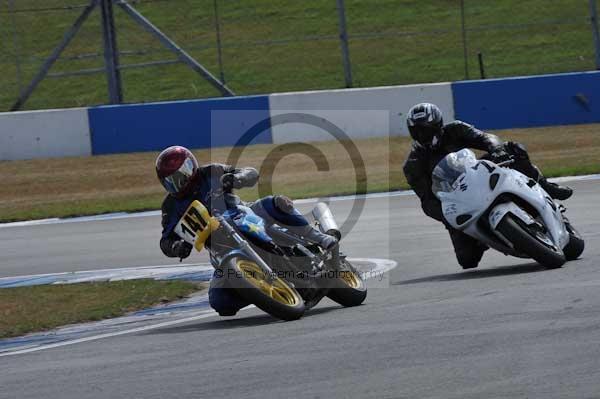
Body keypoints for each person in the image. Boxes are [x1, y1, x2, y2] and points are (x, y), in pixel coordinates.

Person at [155, 145, 337, 315]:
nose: (178, 184)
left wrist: (237, 178)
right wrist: (176, 247)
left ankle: (319, 237)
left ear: (190, 168)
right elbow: (165, 240)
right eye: (171, 181)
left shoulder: (211, 172)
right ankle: (263, 290)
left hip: (242, 214)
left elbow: (251, 172)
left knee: (276, 203)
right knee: (220, 302)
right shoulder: (170, 207)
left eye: (180, 176)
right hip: (218, 246)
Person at [402, 103, 572, 270]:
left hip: (477, 174)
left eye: (425, 129)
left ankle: (545, 186)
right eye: (416, 131)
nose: (422, 134)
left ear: (438, 125)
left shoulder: (456, 129)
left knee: (513, 149)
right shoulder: (413, 164)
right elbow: (427, 200)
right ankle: (485, 235)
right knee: (467, 260)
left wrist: (496, 149)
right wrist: (446, 214)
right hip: (456, 198)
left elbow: (484, 137)